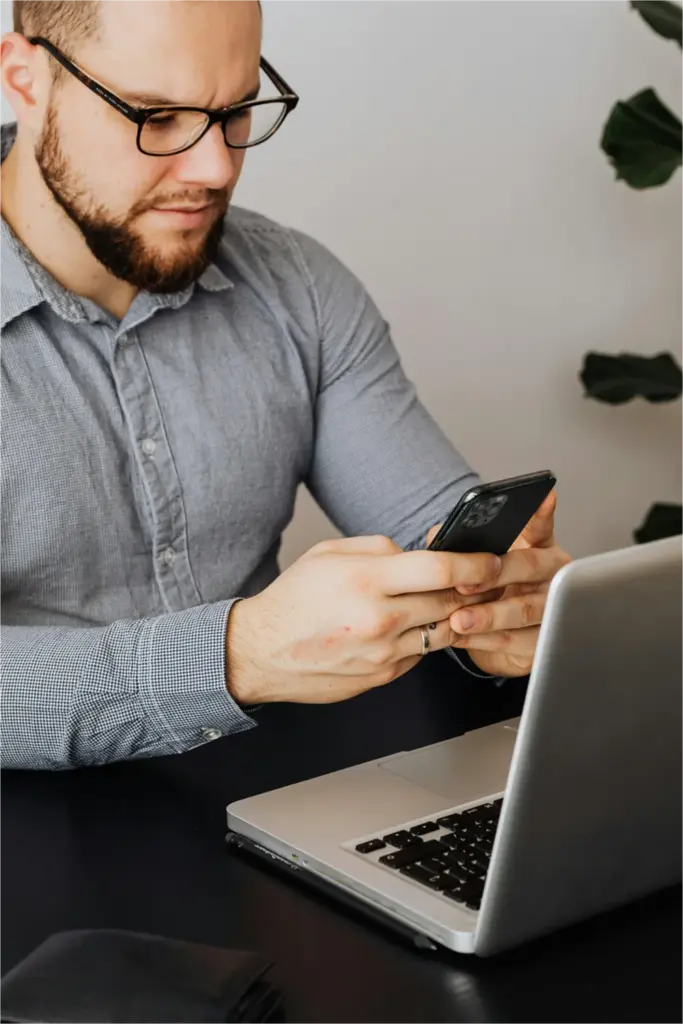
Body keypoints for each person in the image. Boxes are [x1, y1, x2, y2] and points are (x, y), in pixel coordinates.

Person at [0, 0, 570, 771]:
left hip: (265, 800)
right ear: (25, 80)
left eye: (236, 112)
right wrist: (236, 657)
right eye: (158, 116)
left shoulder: (296, 286)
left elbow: (433, 532)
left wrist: (494, 615)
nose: (216, 168)